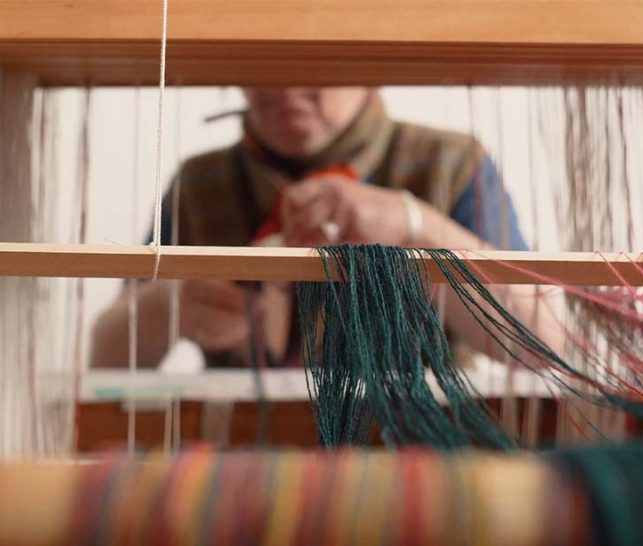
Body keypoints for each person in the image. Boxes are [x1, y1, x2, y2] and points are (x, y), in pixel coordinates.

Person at [91, 87, 561, 369]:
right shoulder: (199, 185)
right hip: (243, 477)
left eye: (315, 57)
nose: (291, 81)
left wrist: (416, 227)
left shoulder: (450, 164)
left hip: (423, 474)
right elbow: (104, 358)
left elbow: (545, 343)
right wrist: (167, 306)